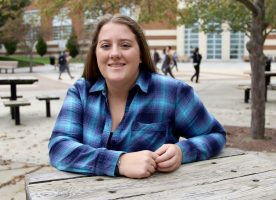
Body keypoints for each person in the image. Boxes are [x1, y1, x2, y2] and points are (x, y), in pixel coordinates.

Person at [49, 14, 226, 179]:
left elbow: (215, 134)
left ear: (141, 54)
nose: (115, 53)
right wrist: (118, 162)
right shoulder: (80, 92)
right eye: (105, 45)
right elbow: (59, 147)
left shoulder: (173, 92)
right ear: (96, 53)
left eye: (125, 45)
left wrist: (182, 151)